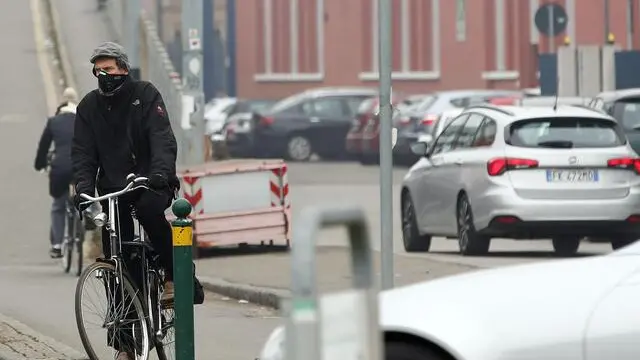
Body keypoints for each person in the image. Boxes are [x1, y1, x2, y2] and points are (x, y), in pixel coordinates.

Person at [72, 41, 186, 360]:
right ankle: (124, 345)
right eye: (98, 70)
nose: (102, 75)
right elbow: (82, 154)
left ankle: (173, 275)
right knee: (115, 260)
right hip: (114, 189)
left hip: (150, 180)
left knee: (151, 212)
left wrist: (160, 174)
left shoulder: (145, 95)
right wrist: (83, 189)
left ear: (123, 68)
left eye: (108, 69)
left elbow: (162, 139)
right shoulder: (88, 107)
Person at [34, 101, 77, 258]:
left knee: (58, 206)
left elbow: (44, 147)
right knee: (83, 198)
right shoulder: (83, 120)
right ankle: (89, 212)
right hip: (79, 167)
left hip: (60, 168)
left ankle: (57, 245)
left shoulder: (54, 122)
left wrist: (40, 165)